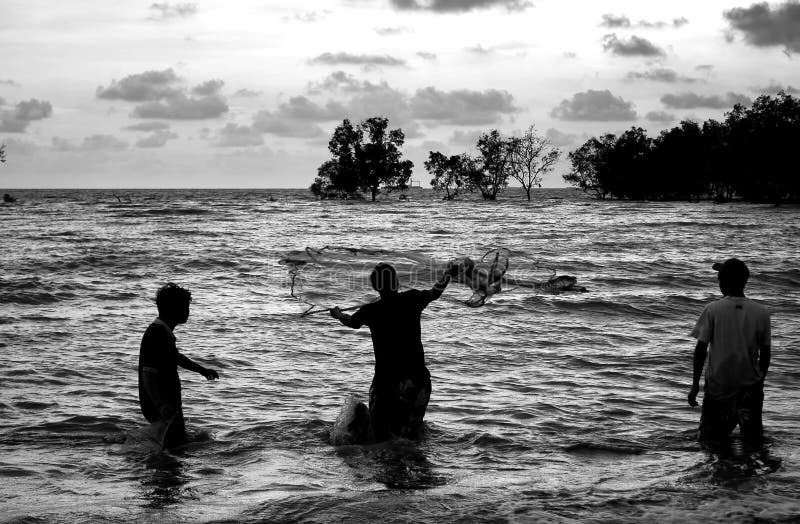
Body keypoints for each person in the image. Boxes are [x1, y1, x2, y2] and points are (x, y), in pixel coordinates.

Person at [330, 262, 459, 441]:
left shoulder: (371, 311)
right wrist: (448, 275)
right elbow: (434, 293)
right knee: (407, 437)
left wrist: (337, 314)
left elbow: (350, 321)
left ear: (375, 286)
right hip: (417, 381)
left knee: (380, 435)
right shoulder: (412, 299)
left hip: (386, 383)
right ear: (396, 282)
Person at [688, 258, 771, 442]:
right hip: (751, 388)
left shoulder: (712, 309)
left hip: (719, 387)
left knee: (710, 441)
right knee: (753, 441)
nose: (718, 282)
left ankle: (723, 468)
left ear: (724, 282)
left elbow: (701, 350)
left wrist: (695, 386)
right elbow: (765, 354)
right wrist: (760, 382)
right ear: (744, 282)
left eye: (719, 278)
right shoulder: (762, 312)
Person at [138, 282, 219, 448]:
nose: (188, 311)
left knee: (176, 446)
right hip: (162, 403)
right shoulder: (157, 334)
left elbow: (176, 357)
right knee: (174, 450)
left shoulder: (163, 333)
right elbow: (148, 375)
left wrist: (202, 371)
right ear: (173, 309)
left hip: (165, 402)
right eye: (185, 306)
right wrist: (161, 405)